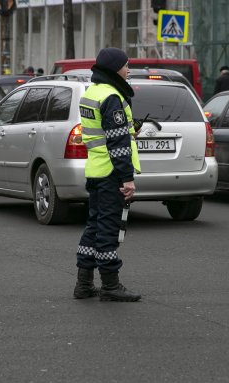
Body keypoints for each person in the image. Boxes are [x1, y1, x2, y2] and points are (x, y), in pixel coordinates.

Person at [73, 47, 142, 302]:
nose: (129, 69)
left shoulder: (92, 92)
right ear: (115, 69)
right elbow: (117, 144)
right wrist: (127, 179)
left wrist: (129, 128)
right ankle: (111, 286)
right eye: (126, 65)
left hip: (96, 170)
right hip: (112, 173)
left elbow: (101, 133)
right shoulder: (112, 96)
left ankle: (84, 285)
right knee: (108, 231)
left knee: (93, 228)